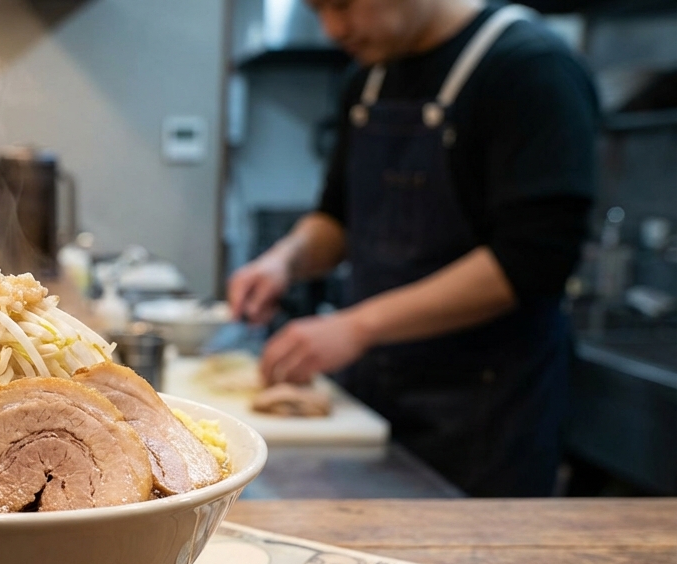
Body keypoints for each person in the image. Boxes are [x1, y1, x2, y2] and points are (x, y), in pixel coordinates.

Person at [226, 0, 599, 497]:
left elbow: (531, 262)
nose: (333, 28)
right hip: (375, 401)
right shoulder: (367, 81)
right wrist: (284, 260)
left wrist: (357, 326)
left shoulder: (530, 68)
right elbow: (336, 218)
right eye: (318, 9)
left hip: (487, 415)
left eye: (343, 4)